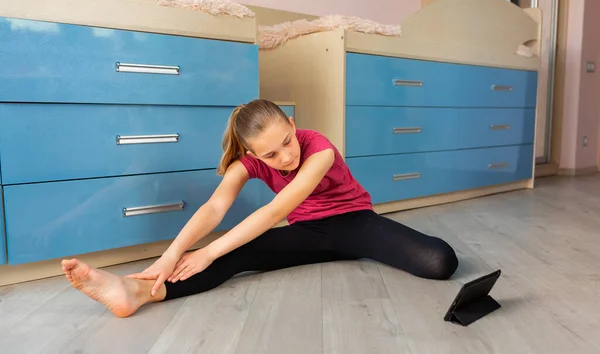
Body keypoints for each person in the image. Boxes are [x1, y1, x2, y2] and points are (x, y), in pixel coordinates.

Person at [62, 99, 458, 318]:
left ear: (291, 121)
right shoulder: (246, 163)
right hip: (309, 233)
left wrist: (208, 250)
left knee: (440, 261)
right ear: (252, 153)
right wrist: (173, 255)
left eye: (288, 140)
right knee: (234, 256)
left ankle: (161, 278)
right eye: (271, 153)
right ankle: (133, 291)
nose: (287, 156)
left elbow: (272, 213)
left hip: (356, 223)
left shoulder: (317, 147)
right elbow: (215, 207)